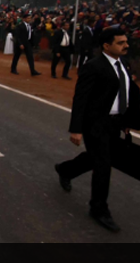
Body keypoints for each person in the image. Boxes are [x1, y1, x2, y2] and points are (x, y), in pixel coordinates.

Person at [54, 28, 139, 233]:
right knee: (103, 163)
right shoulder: (93, 67)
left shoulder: (124, 65)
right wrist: (76, 129)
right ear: (106, 46)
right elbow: (81, 98)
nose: (126, 45)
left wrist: (130, 120)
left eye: (126, 41)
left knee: (95, 158)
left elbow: (129, 94)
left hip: (115, 123)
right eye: (120, 43)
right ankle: (98, 208)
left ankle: (66, 169)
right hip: (96, 123)